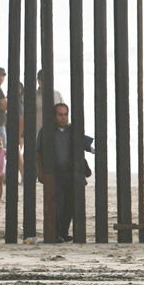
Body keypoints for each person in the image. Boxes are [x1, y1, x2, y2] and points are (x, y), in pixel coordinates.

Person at [36, 103, 91, 242]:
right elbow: (38, 152)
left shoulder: (73, 130)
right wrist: (40, 172)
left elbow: (87, 145)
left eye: (65, 114)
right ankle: (54, 234)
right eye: (60, 114)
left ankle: (63, 232)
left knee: (70, 204)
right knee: (57, 203)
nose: (63, 117)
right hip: (54, 173)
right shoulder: (47, 131)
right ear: (54, 116)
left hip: (71, 172)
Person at [34, 70, 66, 137]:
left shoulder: (57, 95)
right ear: (39, 81)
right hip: (38, 136)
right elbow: (24, 117)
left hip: (56, 136)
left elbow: (64, 113)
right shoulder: (33, 97)